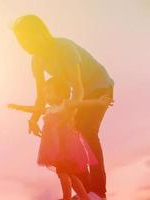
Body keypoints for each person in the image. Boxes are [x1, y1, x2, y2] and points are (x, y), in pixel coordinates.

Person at [12, 15, 114, 199]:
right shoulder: (37, 61)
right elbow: (41, 95)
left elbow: (79, 85)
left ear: (40, 33)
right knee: (68, 140)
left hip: (99, 87)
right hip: (80, 93)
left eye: (25, 39)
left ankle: (98, 191)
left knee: (85, 129)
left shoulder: (63, 47)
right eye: (20, 42)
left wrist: (71, 114)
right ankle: (85, 191)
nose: (23, 45)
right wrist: (34, 118)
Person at [8, 78, 113, 200]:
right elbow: (34, 108)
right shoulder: (48, 109)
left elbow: (81, 103)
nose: (46, 96)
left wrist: (98, 102)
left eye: (49, 92)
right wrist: (17, 107)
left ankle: (66, 197)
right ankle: (84, 196)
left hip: (65, 147)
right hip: (57, 148)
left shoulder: (65, 104)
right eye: (45, 93)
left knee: (62, 173)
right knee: (70, 175)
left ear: (60, 92)